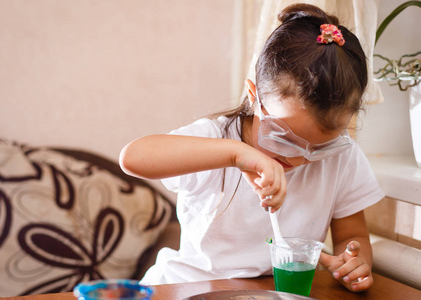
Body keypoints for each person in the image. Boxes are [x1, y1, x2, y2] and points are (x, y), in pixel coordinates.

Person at [119, 3, 384, 293]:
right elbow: (134, 157)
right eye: (283, 138)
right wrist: (237, 155)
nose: (296, 158)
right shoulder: (217, 138)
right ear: (254, 96)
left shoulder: (342, 157)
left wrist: (352, 263)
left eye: (319, 148)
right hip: (187, 289)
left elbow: (353, 234)